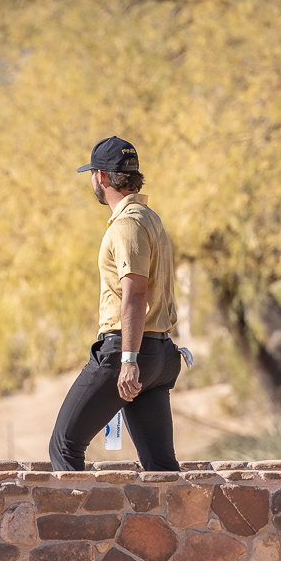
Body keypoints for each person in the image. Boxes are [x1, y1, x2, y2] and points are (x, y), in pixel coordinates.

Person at [49, 137, 183, 471]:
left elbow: (135, 294)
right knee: (161, 467)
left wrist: (128, 361)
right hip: (159, 354)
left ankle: (74, 526)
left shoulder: (127, 225)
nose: (92, 181)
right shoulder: (151, 219)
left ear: (103, 178)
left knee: (64, 446)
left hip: (129, 352)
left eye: (93, 173)